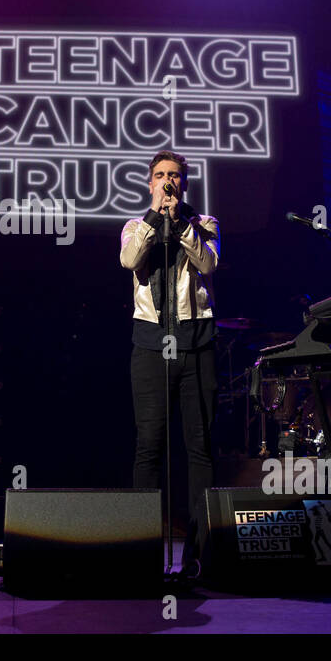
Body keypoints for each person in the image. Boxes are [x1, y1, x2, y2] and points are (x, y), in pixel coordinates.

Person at [119, 150, 220, 574]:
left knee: (199, 449)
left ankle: (197, 553)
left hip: (196, 346)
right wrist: (154, 220)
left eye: (174, 176)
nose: (167, 182)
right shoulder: (133, 226)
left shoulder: (205, 225)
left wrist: (178, 225)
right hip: (149, 346)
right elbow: (129, 261)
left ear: (185, 183)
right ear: (149, 183)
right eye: (160, 176)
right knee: (149, 448)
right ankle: (143, 550)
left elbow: (209, 264)